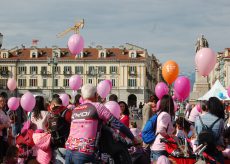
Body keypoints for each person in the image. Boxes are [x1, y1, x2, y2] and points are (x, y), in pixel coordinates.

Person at [65, 84, 136, 164]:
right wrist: (133, 138)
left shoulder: (75, 109)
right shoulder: (98, 107)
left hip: (69, 151)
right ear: (96, 95)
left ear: (82, 96)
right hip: (84, 152)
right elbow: (117, 124)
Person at [195, 97, 225, 164]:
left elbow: (197, 136)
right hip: (215, 153)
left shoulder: (198, 119)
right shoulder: (220, 121)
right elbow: (220, 138)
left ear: (207, 107)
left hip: (202, 153)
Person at [150, 95, 175, 162]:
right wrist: (169, 138)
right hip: (161, 148)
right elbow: (161, 130)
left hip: (157, 147)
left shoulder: (161, 114)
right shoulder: (166, 115)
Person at [49, 97, 72, 164]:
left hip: (54, 145)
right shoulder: (68, 112)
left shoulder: (51, 113)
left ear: (53, 104)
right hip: (66, 145)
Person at [0, 95, 11, 163]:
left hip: (3, 136)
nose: (3, 102)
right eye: (1, 101)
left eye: (4, 101)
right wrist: (4, 125)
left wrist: (7, 125)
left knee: (4, 155)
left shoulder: (4, 111)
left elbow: (9, 123)